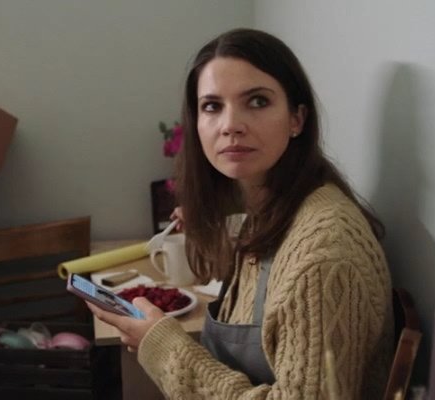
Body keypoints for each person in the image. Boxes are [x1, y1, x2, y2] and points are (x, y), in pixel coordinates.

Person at [87, 28, 393, 399]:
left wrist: (164, 347)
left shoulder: (323, 255)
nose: (231, 125)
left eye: (257, 101)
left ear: (297, 119)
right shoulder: (270, 209)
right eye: (212, 106)